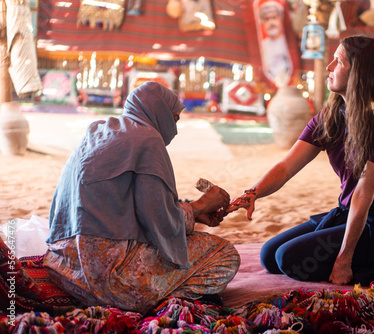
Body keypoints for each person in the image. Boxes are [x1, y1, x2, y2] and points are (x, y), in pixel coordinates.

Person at [227, 35, 374, 285]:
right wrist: (252, 193)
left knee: (289, 259)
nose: (329, 68)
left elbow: (363, 194)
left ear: (359, 72)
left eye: (339, 61)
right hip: (349, 212)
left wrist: (343, 261)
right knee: (269, 255)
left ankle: (370, 264)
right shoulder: (333, 115)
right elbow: (286, 166)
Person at [44, 81, 240, 312]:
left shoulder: (98, 130)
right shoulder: (148, 140)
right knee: (224, 255)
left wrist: (193, 215)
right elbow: (160, 223)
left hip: (63, 268)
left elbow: (126, 205)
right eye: (174, 119)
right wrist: (200, 206)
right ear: (159, 113)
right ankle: (157, 303)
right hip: (109, 279)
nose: (175, 130)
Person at [257, 0, 293, 86]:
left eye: (274, 18)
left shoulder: (290, 45)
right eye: (267, 19)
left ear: (280, 18)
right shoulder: (262, 47)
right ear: (263, 22)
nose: (271, 23)